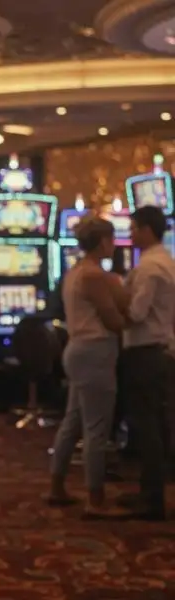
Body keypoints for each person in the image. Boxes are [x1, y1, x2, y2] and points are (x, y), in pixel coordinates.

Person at [47, 217, 126, 517]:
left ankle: (56, 487)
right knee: (96, 429)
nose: (115, 245)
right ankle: (96, 500)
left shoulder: (76, 272)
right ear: (103, 241)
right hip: (95, 351)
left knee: (73, 422)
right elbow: (112, 319)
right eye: (112, 239)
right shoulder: (94, 275)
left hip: (78, 349)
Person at [117, 205, 175, 520]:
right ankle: (150, 492)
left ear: (149, 230)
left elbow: (136, 314)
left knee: (146, 425)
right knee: (157, 424)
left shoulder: (150, 268)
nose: (131, 233)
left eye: (134, 227)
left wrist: (110, 301)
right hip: (161, 350)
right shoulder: (167, 262)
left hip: (144, 352)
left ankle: (152, 499)